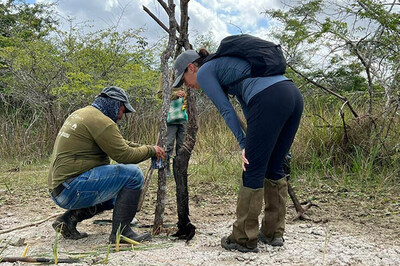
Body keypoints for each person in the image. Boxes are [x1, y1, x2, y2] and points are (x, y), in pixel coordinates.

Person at [172, 49, 303, 252]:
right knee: (274, 165)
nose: (187, 85)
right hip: (292, 95)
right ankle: (273, 233)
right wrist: (254, 137)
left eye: (184, 78)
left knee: (252, 168)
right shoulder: (226, 65)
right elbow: (246, 104)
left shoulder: (205, 71)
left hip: (268, 98)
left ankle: (243, 238)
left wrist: (244, 145)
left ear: (192, 67)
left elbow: (226, 110)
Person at [48, 86, 165, 243]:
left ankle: (68, 221)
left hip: (60, 189)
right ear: (114, 104)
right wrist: (150, 150)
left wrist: (149, 148)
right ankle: (122, 233)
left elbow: (121, 144)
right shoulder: (101, 121)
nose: (121, 116)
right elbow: (124, 155)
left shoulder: (84, 114)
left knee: (120, 195)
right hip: (72, 188)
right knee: (134, 175)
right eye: (122, 110)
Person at [157, 79, 188, 177]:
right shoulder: (167, 75)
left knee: (182, 145)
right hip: (171, 116)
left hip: (183, 116)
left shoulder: (186, 75)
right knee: (168, 144)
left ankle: (180, 169)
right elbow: (160, 95)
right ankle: (166, 169)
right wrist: (175, 94)